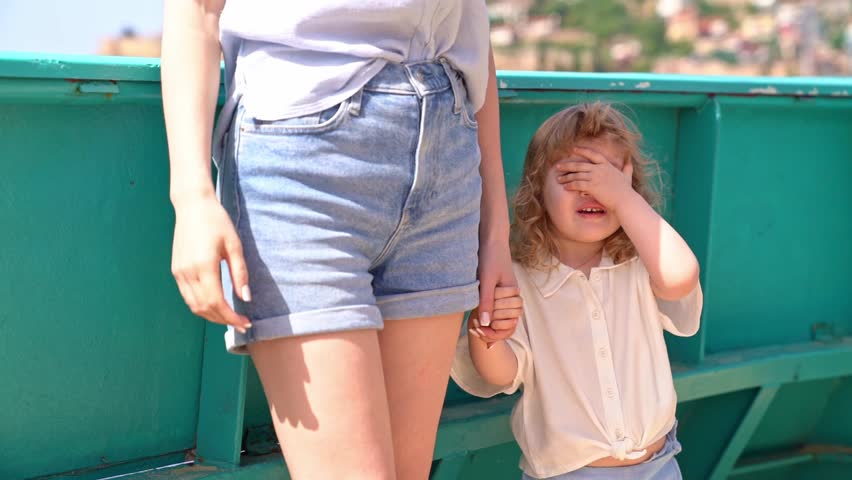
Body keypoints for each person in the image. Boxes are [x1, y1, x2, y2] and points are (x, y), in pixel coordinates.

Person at [160, 1, 517, 479]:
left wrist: (496, 229)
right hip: (301, 159)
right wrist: (191, 196)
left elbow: (473, 36)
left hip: (445, 158)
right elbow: (196, 10)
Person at [452, 102, 703, 480]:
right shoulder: (519, 279)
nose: (593, 190)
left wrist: (624, 199)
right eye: (573, 176)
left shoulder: (639, 264)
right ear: (538, 190)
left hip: (659, 467)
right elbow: (501, 375)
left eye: (608, 178)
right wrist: (486, 333)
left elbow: (680, 277)